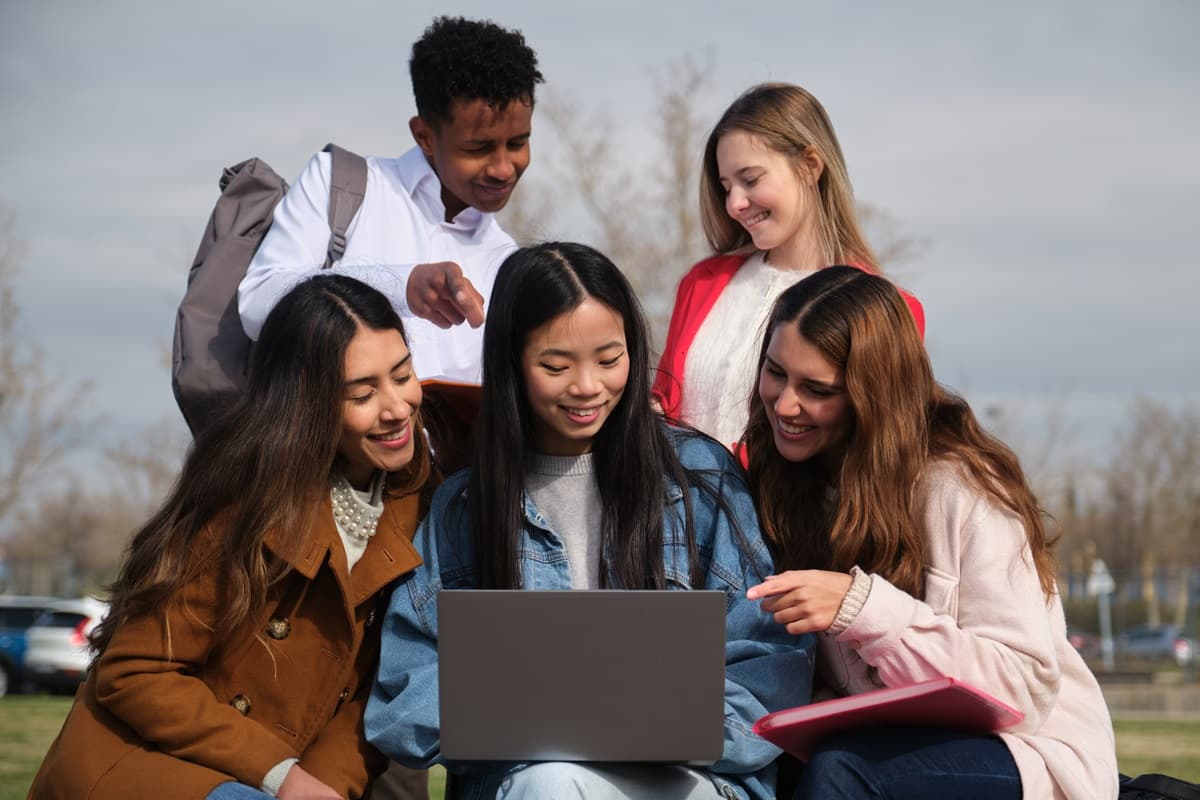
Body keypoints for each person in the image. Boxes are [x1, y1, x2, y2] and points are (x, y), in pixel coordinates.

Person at [364, 242, 816, 800]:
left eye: (609, 360)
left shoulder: (698, 476)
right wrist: (537, 721)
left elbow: (768, 661)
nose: (587, 387)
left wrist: (671, 728)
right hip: (533, 784)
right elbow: (403, 700)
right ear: (511, 362)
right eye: (556, 365)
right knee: (552, 781)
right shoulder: (465, 508)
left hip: (691, 780)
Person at [29, 276, 437, 800]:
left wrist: (325, 787)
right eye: (363, 392)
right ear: (308, 403)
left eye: (402, 375)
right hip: (152, 765)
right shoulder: (243, 500)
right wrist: (282, 776)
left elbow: (374, 691)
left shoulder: (425, 503)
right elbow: (135, 672)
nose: (398, 407)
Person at [742, 266, 1118, 799]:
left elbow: (1024, 686)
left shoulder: (960, 487)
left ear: (871, 394)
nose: (783, 404)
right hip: (881, 742)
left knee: (842, 773)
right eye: (775, 373)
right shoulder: (782, 481)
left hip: (1030, 750)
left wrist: (863, 609)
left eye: (816, 389)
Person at [238, 16, 544, 386]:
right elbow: (257, 303)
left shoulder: (508, 261)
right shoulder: (342, 185)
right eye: (478, 148)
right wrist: (399, 286)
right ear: (424, 136)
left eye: (517, 143)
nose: (502, 168)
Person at [653, 83, 925, 449]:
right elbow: (666, 399)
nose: (734, 204)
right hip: (677, 503)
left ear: (810, 165)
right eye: (726, 186)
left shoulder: (887, 310)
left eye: (750, 180)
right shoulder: (703, 282)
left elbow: (878, 453)